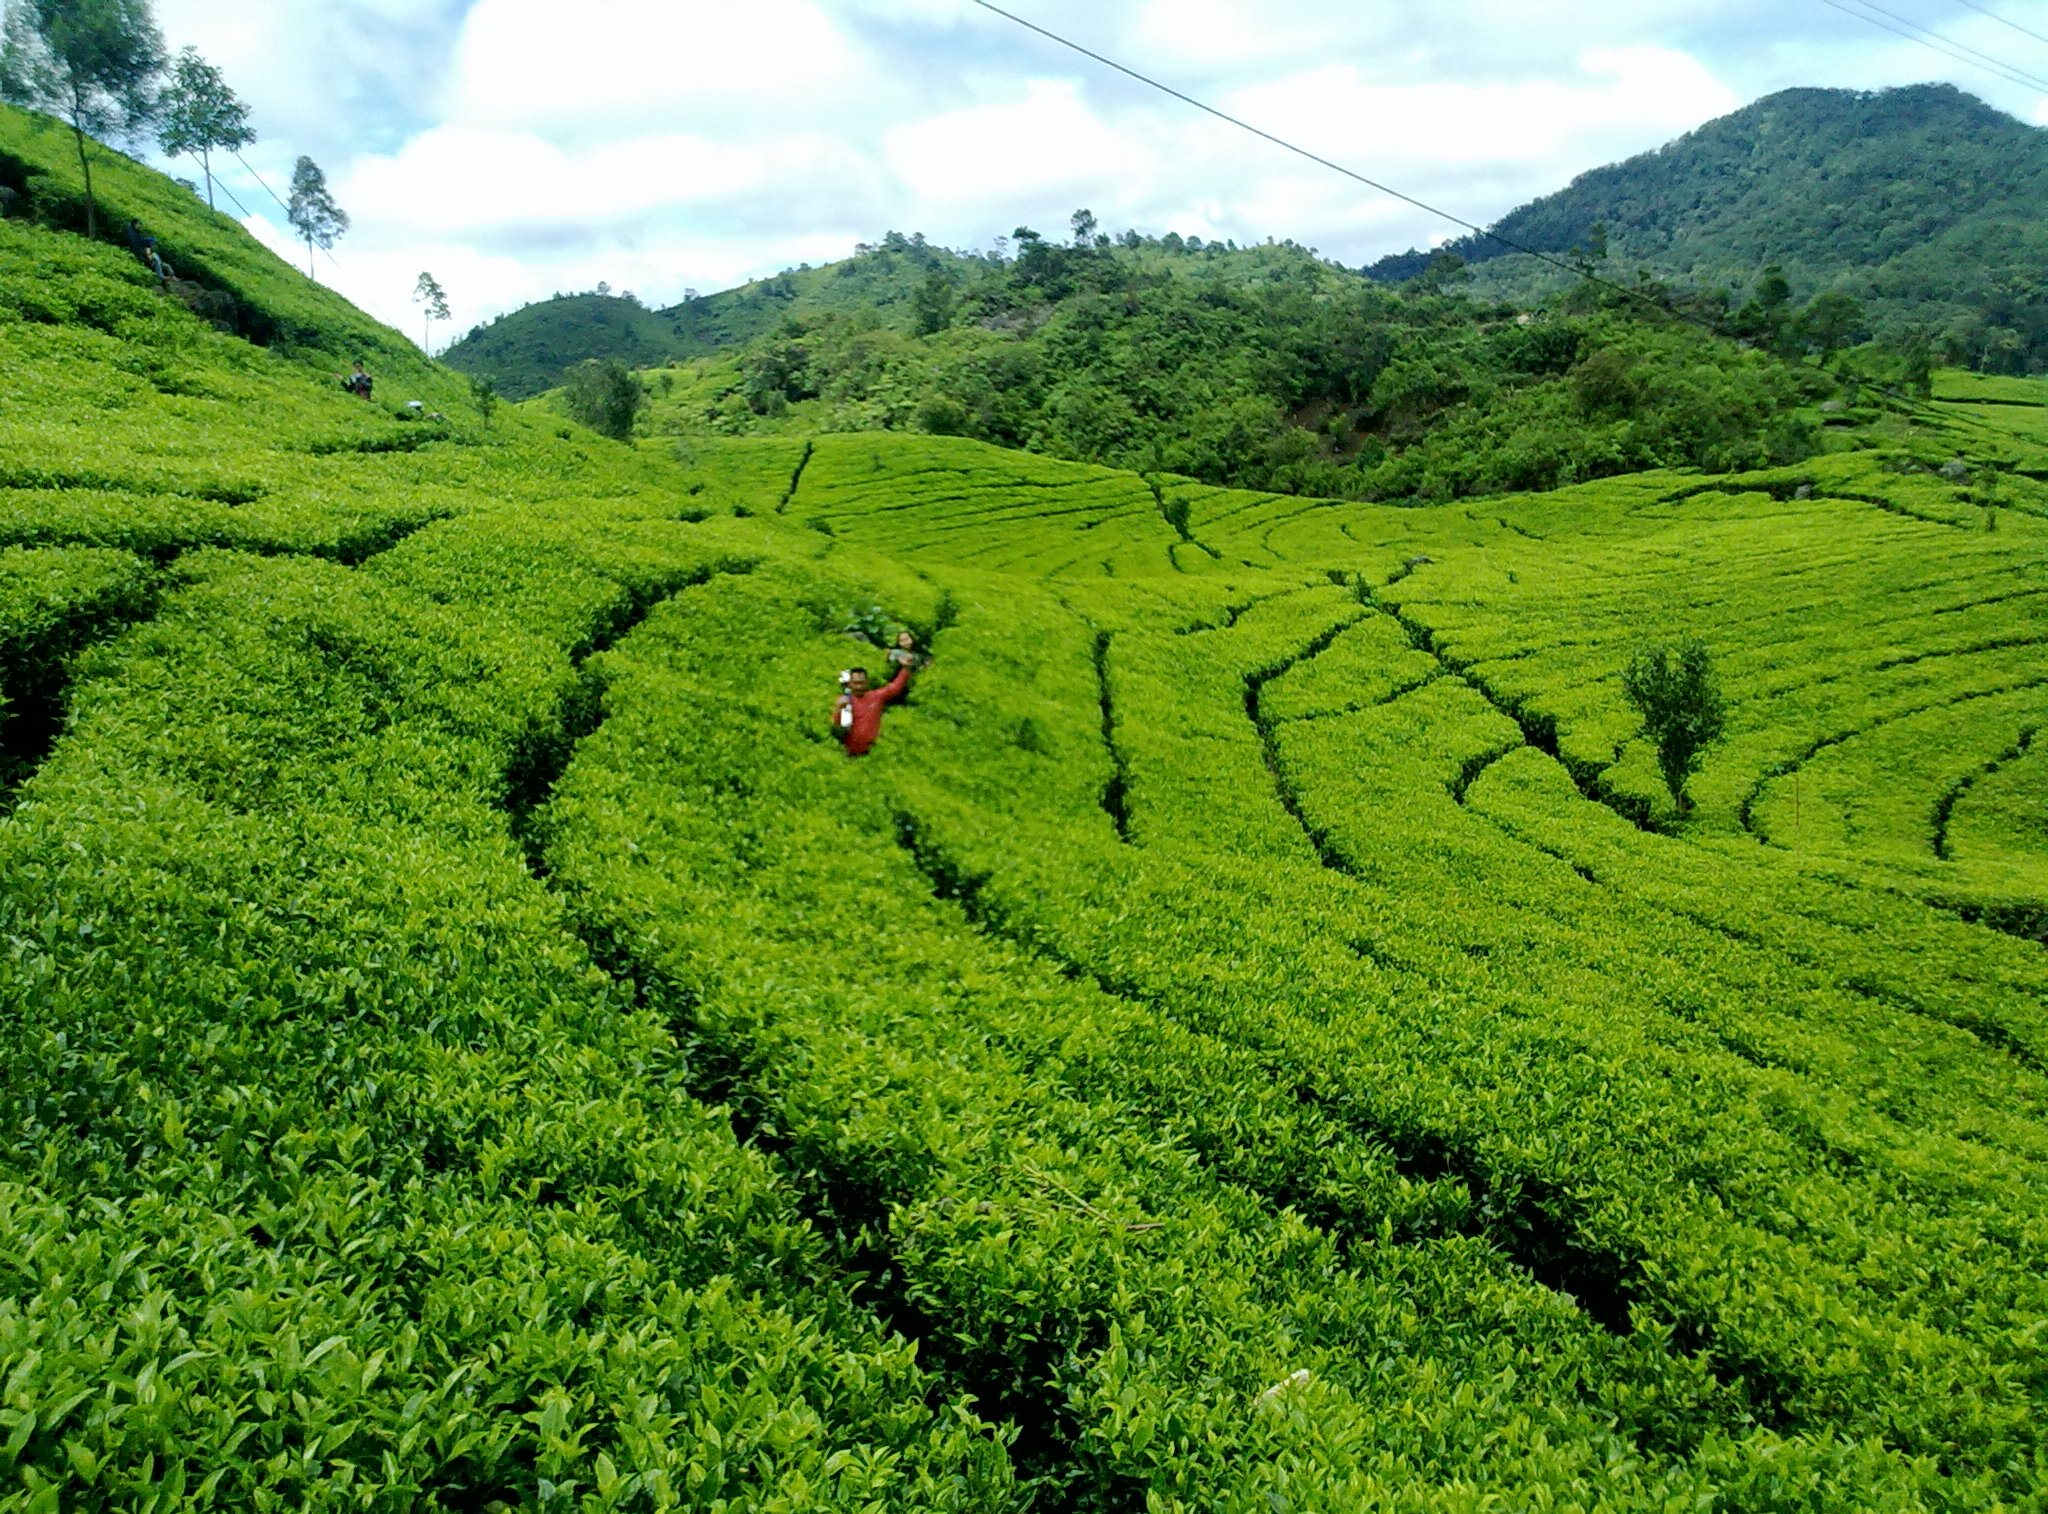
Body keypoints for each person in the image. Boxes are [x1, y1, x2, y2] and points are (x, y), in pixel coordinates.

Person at [832, 663, 911, 757]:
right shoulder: (845, 701)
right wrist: (838, 709)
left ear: (867, 683)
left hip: (871, 751)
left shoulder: (875, 697)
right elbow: (836, 728)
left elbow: (894, 688)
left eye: (862, 683)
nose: (859, 687)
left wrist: (905, 669)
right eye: (856, 683)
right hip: (849, 752)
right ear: (850, 684)